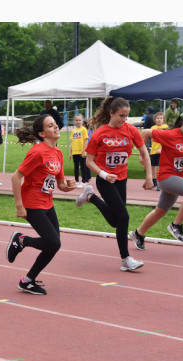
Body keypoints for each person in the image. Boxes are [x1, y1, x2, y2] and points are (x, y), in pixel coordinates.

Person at [75, 96, 152, 272]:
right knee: (124, 217)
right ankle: (125, 259)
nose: (124, 120)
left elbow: (144, 153)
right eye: (121, 116)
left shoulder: (131, 130)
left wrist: (149, 177)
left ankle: (90, 197)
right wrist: (103, 173)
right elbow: (89, 161)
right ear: (111, 113)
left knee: (116, 222)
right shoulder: (100, 133)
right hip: (105, 180)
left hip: (121, 180)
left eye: (126, 116)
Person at [7, 115, 77, 295]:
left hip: (47, 203)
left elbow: (59, 184)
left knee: (54, 245)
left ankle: (27, 281)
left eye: (55, 124)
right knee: (53, 242)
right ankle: (21, 240)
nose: (55, 127)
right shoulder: (37, 152)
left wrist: (67, 186)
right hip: (31, 203)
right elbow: (16, 177)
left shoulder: (58, 153)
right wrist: (19, 205)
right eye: (50, 125)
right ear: (41, 133)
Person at [130, 110, 183, 248]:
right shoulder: (170, 134)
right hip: (166, 177)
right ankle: (176, 225)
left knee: (160, 211)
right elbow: (144, 132)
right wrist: (142, 154)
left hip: (177, 178)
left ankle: (138, 234)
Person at [148, 112, 169, 191]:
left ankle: (160, 183)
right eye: (157, 118)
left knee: (160, 167)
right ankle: (154, 182)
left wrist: (162, 147)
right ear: (154, 120)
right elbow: (150, 136)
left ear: (163, 120)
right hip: (154, 150)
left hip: (162, 151)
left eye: (161, 118)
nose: (159, 120)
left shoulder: (165, 127)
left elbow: (167, 138)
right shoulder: (153, 128)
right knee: (152, 167)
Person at [70, 113, 89, 188]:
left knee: (83, 166)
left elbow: (86, 141)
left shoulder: (83, 129)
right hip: (75, 152)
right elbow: (72, 142)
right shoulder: (73, 130)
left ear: (82, 121)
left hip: (81, 151)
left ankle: (84, 181)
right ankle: (76, 181)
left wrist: (84, 151)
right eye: (76, 120)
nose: (78, 121)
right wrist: (70, 152)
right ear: (74, 121)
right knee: (76, 166)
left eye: (79, 120)